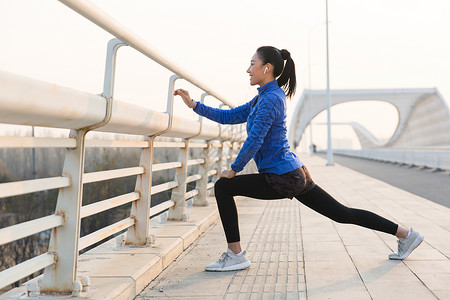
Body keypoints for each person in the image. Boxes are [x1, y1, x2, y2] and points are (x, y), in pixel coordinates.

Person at [174, 46, 424, 272]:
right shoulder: (264, 96)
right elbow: (231, 116)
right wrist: (194, 104)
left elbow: (255, 140)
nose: (247, 69)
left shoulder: (271, 99)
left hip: (282, 176)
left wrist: (234, 169)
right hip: (292, 173)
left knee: (223, 186)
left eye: (252, 63)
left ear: (266, 68)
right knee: (341, 213)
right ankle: (406, 234)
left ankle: (235, 254)